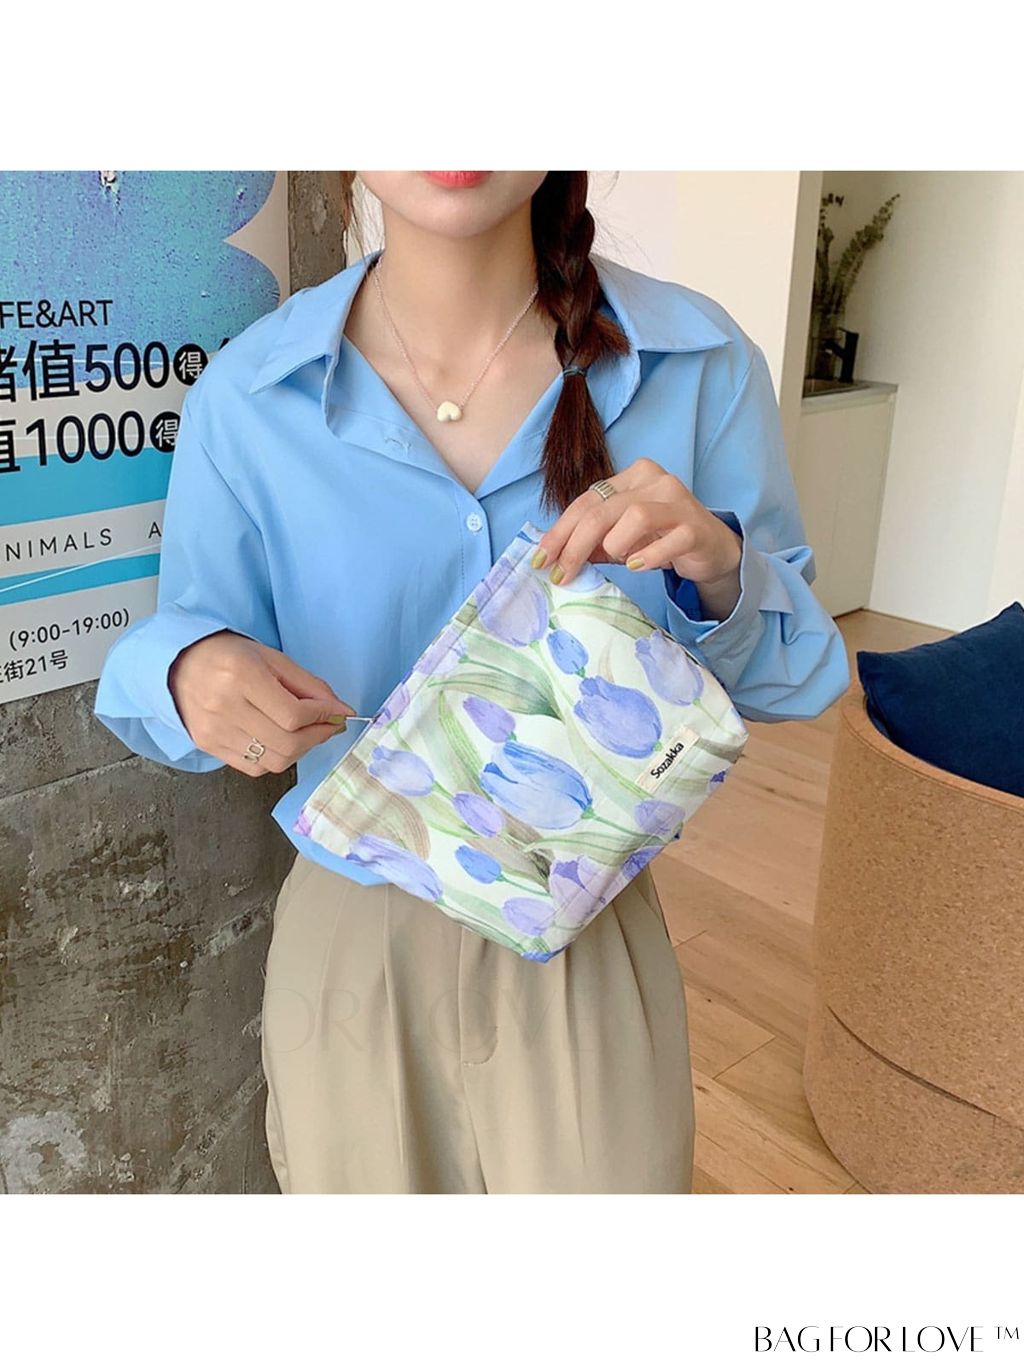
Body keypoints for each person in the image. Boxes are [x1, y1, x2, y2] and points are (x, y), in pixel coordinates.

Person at [93, 170, 850, 1194]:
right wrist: (187, 670)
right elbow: (173, 649)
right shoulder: (252, 394)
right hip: (354, 934)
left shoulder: (699, 362)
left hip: (582, 924)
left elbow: (796, 677)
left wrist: (719, 566)